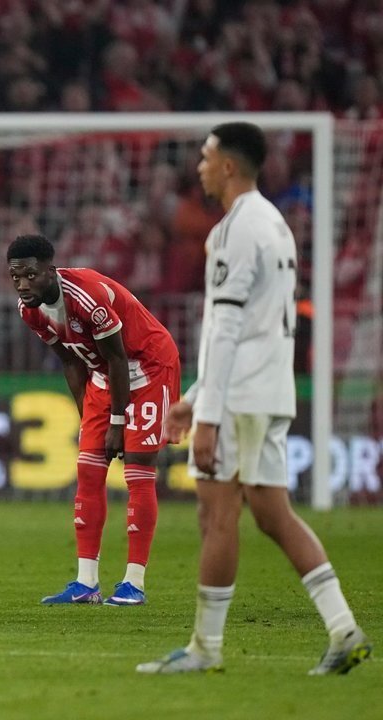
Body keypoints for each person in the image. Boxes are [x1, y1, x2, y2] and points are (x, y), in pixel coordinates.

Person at [138, 122, 372, 675]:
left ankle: (205, 649)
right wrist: (195, 398)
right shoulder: (275, 224)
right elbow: (255, 327)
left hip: (240, 398)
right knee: (272, 513)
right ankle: (344, 629)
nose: (198, 166)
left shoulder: (234, 230)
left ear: (227, 165)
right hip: (270, 389)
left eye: (205, 155)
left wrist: (210, 415)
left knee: (216, 513)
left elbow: (226, 328)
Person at [8, 234, 179, 606]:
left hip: (148, 367)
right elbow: (70, 360)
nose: (23, 285)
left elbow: (119, 357)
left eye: (31, 276)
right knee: (87, 467)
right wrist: (87, 418)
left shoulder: (87, 297)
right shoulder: (30, 311)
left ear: (51, 272)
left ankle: (134, 582)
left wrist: (117, 421)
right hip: (103, 374)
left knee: (137, 469)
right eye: (16, 277)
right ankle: (86, 583)